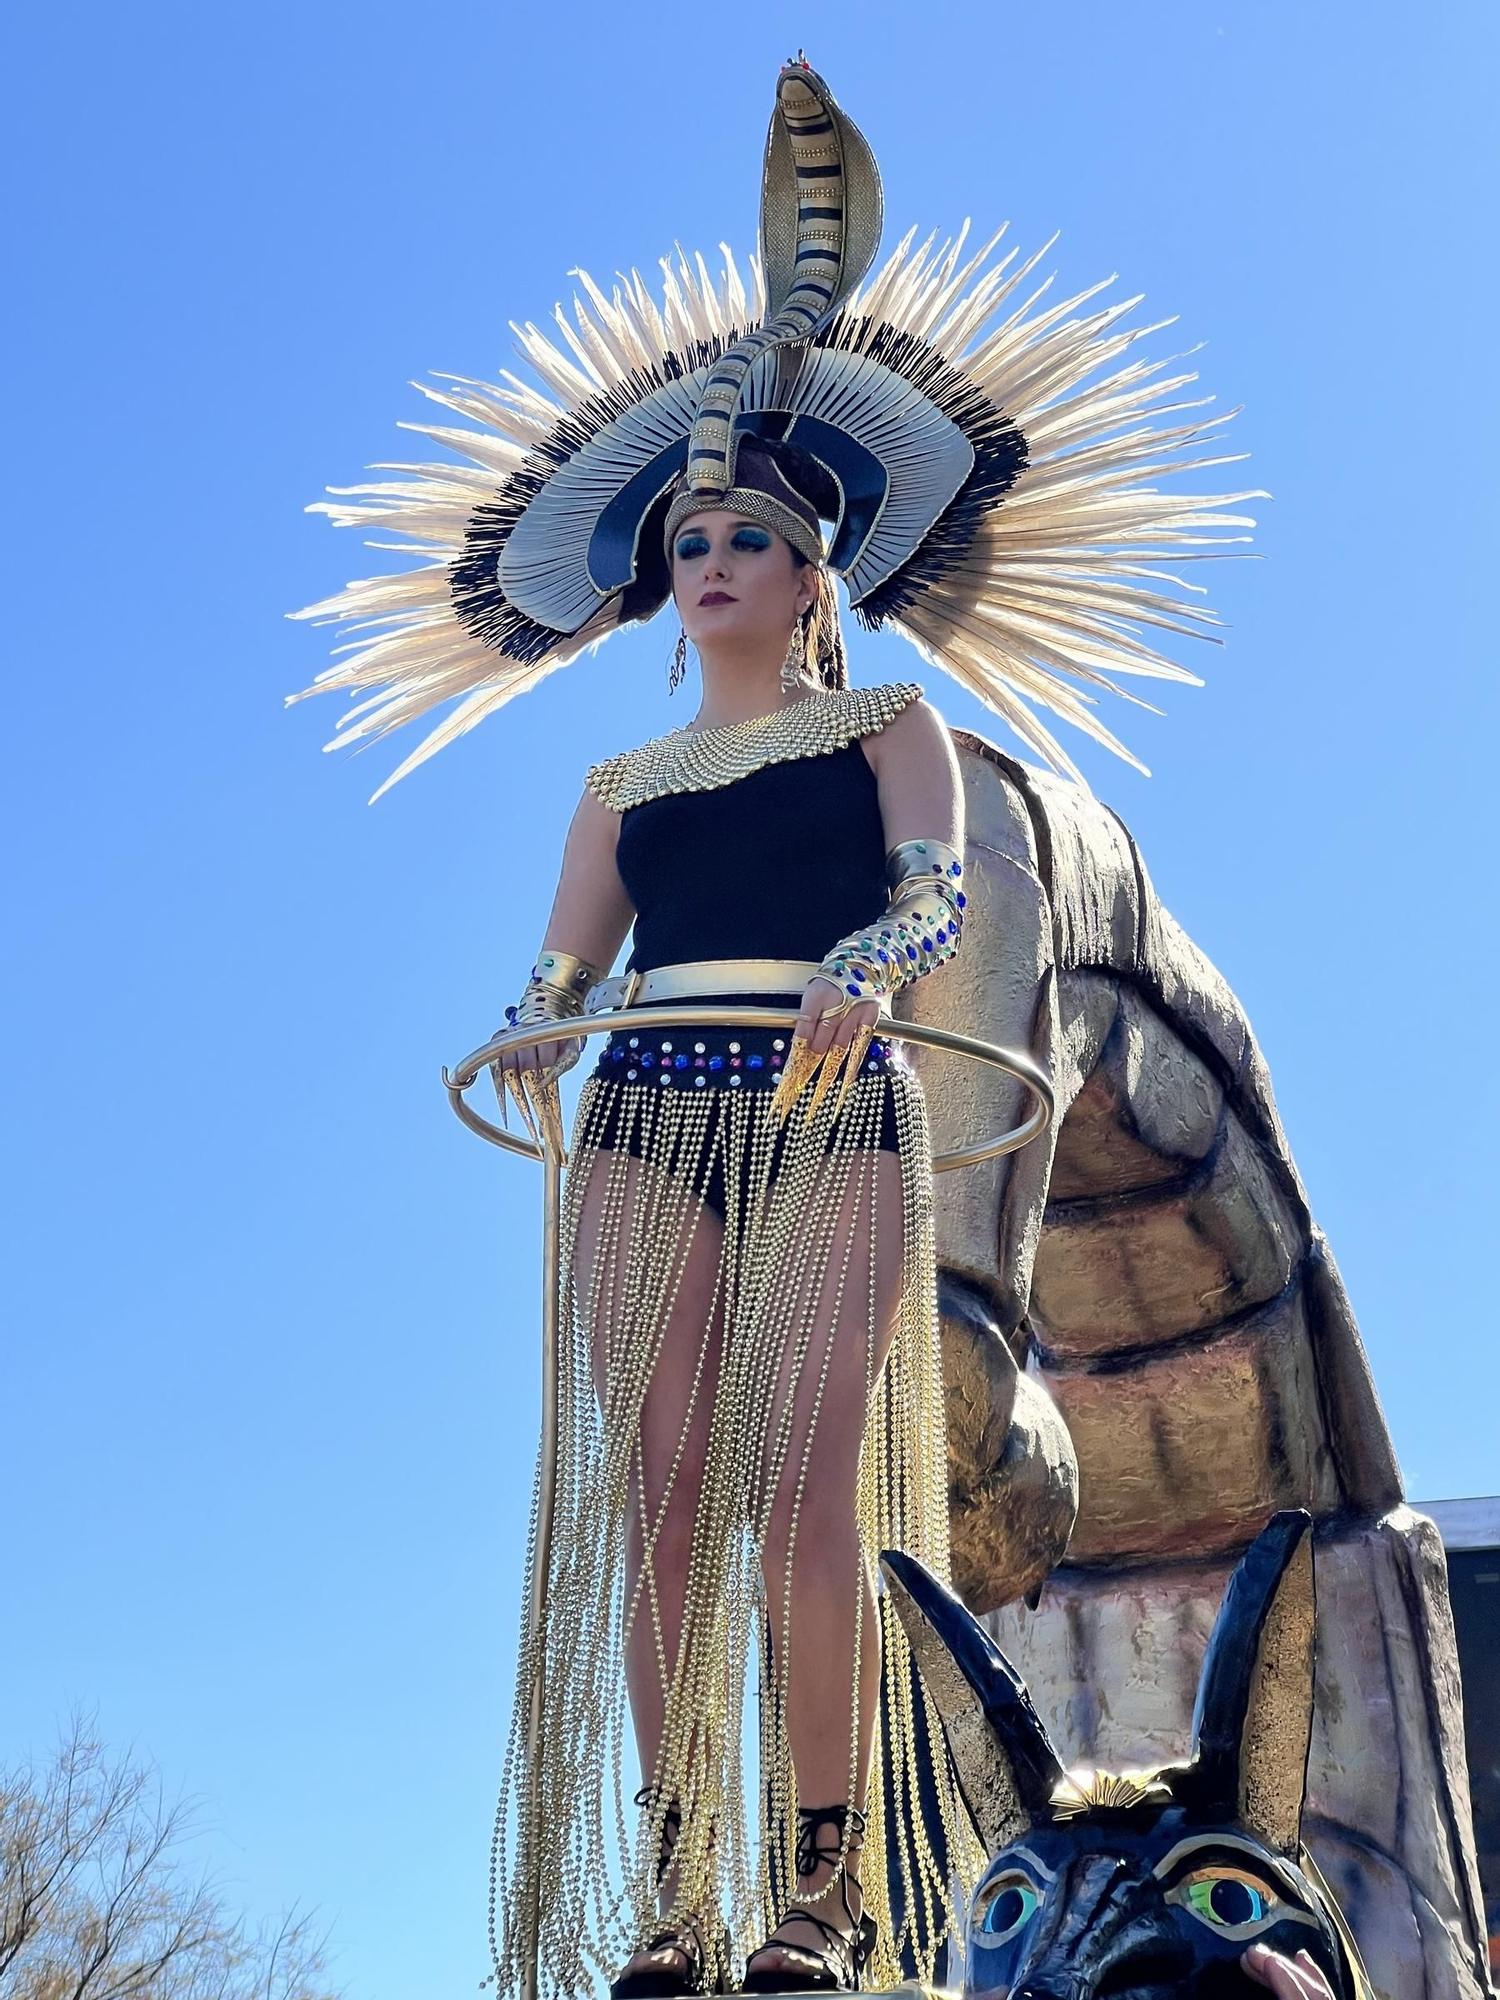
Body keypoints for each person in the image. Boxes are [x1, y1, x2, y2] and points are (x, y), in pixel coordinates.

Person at [290, 56, 1252, 2000]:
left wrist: (875, 969)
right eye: (689, 543)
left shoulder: (885, 730)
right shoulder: (624, 780)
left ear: (819, 575)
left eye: (746, 537)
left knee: (809, 1483)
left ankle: (819, 1887)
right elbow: (560, 972)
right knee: (657, 1503)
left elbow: (939, 886)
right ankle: (673, 1887)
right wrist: (540, 1027)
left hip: (833, 1098)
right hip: (649, 1106)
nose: (710, 557)